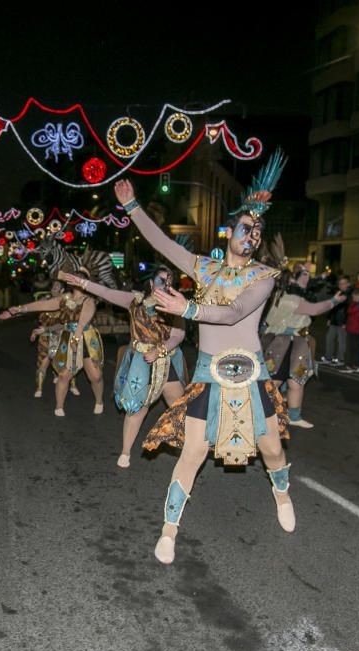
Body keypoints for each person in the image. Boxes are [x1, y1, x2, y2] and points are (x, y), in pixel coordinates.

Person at [116, 150, 295, 566]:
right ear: (228, 230)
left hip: (251, 374)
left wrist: (189, 310)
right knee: (193, 451)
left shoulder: (264, 278)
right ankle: (168, 531)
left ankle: (282, 493)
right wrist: (132, 207)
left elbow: (233, 313)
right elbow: (159, 240)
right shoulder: (203, 268)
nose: (252, 236)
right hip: (208, 373)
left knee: (271, 449)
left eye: (258, 232)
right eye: (246, 227)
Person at [62, 268, 187, 468]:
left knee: (179, 407)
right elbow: (106, 293)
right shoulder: (134, 301)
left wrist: (160, 350)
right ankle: (125, 451)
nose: (165, 285)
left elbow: (178, 334)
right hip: (140, 362)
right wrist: (82, 283)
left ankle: (187, 451)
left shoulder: (177, 306)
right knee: (137, 409)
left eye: (169, 282)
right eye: (160, 280)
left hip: (166, 361)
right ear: (151, 284)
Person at [1, 268, 105, 418]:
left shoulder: (89, 301)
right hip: (68, 336)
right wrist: (18, 309)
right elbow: (43, 305)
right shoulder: (65, 298)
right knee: (64, 375)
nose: (76, 281)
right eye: (73, 278)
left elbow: (82, 323)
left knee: (95, 376)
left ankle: (99, 401)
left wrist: (76, 339)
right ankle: (59, 405)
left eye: (80, 279)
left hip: (86, 339)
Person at [260, 261, 345, 428]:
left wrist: (317, 275)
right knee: (273, 382)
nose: (307, 278)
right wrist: (334, 301)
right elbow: (313, 310)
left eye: (308, 275)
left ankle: (295, 416)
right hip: (282, 344)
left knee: (296, 381)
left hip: (298, 343)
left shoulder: (293, 292)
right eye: (304, 275)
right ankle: (260, 414)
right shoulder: (290, 297)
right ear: (293, 278)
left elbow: (310, 285)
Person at [29, 281, 77, 399]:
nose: (53, 288)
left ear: (62, 291)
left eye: (57, 287)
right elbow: (38, 317)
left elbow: (67, 323)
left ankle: (73, 385)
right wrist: (35, 331)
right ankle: (39, 388)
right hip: (45, 337)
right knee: (43, 364)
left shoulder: (66, 303)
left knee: (66, 364)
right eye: (53, 286)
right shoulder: (45, 300)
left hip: (61, 337)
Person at [319, 275, 351, 366]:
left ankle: (340, 359)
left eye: (344, 283)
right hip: (334, 320)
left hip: (342, 322)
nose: (341, 285)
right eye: (340, 284)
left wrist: (345, 322)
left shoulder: (349, 294)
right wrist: (329, 318)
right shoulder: (339, 293)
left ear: (348, 284)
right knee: (329, 338)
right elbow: (333, 307)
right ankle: (328, 357)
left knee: (341, 341)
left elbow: (348, 310)